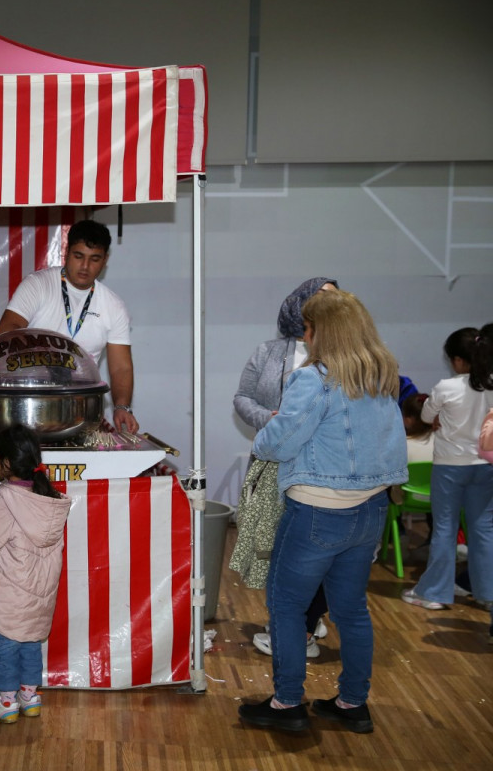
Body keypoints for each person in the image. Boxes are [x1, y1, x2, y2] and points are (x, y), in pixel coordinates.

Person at [237, 289, 407, 735]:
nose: (304, 337)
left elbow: (278, 442)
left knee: (286, 607)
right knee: (351, 610)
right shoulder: (381, 373)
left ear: (320, 332)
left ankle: (287, 703)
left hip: (317, 511)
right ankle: (352, 702)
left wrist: (267, 430)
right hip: (370, 509)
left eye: (308, 329)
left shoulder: (315, 379)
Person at [232, 278, 338, 658]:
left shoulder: (343, 356)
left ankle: (305, 619)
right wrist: (269, 418)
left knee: (312, 546)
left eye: (334, 298)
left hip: (318, 465)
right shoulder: (268, 351)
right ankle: (295, 618)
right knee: (275, 544)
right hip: (273, 459)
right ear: (299, 303)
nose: (327, 305)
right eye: (320, 297)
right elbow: (242, 397)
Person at [0, 424, 71, 724]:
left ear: (7, 463)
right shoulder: (50, 501)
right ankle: (29, 697)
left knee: (5, 649)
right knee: (31, 646)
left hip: (6, 595)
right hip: (39, 597)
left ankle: (7, 702)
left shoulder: (4, 503)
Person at [0, 219, 138, 433]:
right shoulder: (38, 284)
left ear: (105, 260)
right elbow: (7, 330)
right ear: (66, 252)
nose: (85, 266)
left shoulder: (114, 305)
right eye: (78, 256)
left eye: (94, 259)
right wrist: (46, 357)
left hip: (79, 408)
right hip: (28, 399)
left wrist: (122, 407)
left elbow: (121, 367)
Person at [401, 324, 493, 611]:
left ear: (457, 360)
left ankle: (435, 593)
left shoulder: (446, 387)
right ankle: (488, 593)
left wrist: (440, 417)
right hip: (485, 465)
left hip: (450, 467)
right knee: (483, 529)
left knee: (444, 528)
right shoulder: (491, 385)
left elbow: (427, 416)